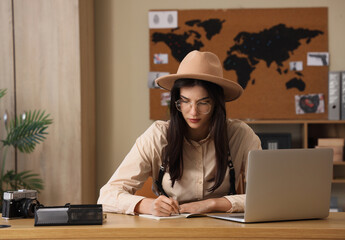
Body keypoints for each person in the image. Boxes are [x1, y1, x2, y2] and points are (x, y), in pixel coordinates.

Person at [98, 50, 261, 216]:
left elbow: (265, 196)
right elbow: (107, 195)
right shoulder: (158, 135)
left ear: (217, 104)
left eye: (203, 103)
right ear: (177, 101)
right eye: (185, 101)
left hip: (225, 231)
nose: (193, 112)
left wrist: (212, 204)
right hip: (171, 230)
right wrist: (148, 205)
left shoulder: (240, 135)